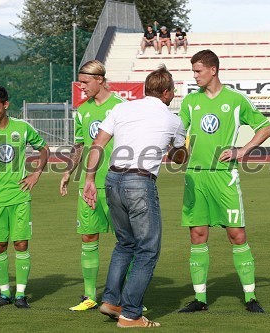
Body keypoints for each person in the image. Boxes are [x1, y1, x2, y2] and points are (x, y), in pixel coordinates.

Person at [83, 65, 188, 328]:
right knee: (147, 249)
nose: (173, 95)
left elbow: (98, 144)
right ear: (165, 92)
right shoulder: (174, 120)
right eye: (172, 90)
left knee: (124, 244)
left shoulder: (121, 108)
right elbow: (178, 159)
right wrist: (181, 149)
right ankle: (130, 314)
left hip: (112, 179)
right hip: (140, 182)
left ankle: (111, 301)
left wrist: (88, 180)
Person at [178, 49, 270, 313]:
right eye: (193, 71)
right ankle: (200, 299)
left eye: (198, 71)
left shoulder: (235, 100)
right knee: (197, 235)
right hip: (195, 176)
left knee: (236, 234)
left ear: (213, 70)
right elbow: (177, 133)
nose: (194, 75)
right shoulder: (189, 102)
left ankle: (251, 297)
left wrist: (243, 150)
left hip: (224, 177)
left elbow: (265, 127)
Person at [0, 86, 49, 309]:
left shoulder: (22, 128)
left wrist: (36, 173)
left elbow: (43, 148)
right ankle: (4, 293)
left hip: (20, 196)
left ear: (6, 105)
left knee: (21, 244)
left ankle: (21, 294)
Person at [60, 60, 126, 311]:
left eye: (85, 82)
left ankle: (126, 298)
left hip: (117, 183)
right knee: (88, 236)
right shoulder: (83, 110)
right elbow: (79, 146)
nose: (82, 87)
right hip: (88, 185)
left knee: (125, 239)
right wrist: (68, 171)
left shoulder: (120, 107)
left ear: (100, 79)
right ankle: (89, 295)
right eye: (80, 83)